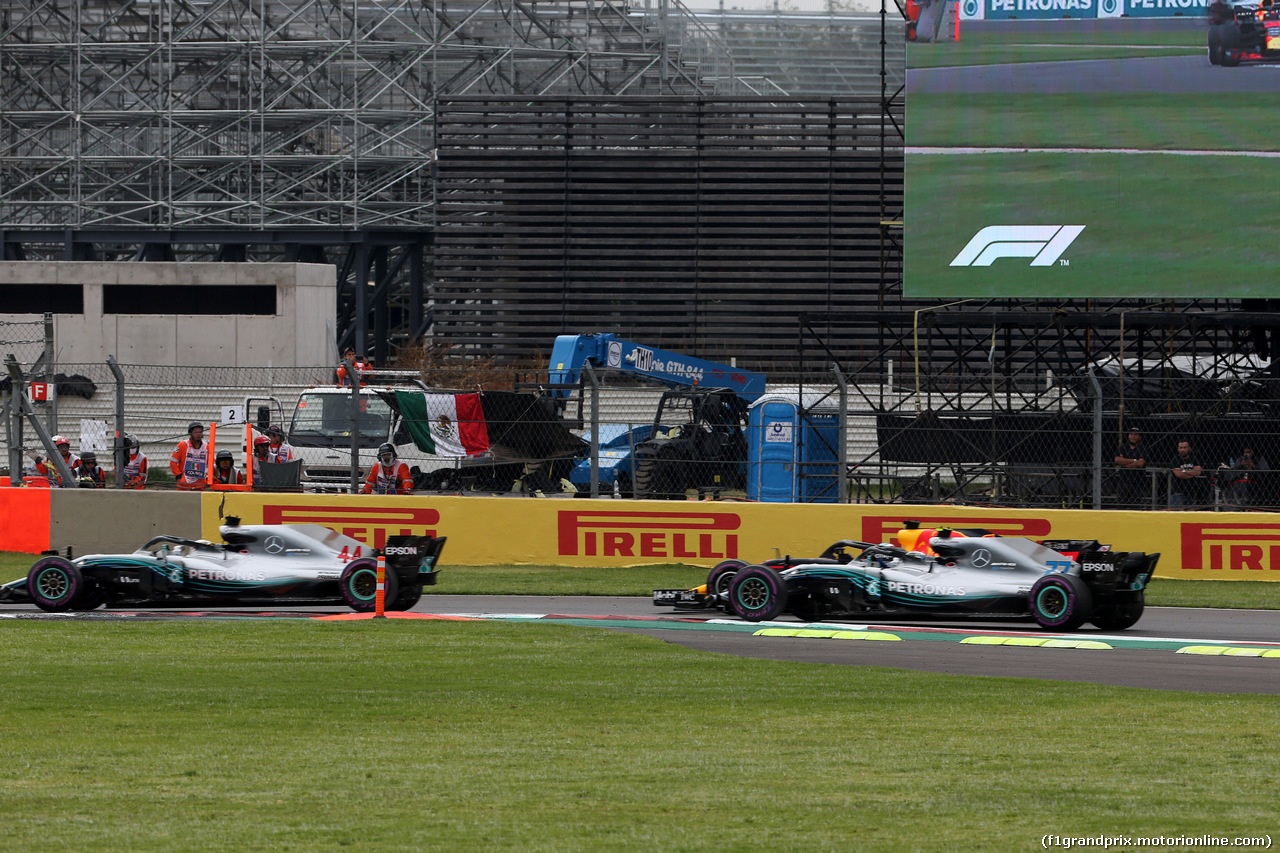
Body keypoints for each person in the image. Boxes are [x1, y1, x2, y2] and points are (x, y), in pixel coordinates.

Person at [1113, 426, 1147, 507]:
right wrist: (1134, 460)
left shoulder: (1143, 448)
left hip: (1137, 482)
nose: (1133, 436)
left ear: (1140, 437)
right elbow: (1117, 460)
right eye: (1131, 434)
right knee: (1121, 505)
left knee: (1136, 506)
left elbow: (1140, 463)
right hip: (1123, 481)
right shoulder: (1123, 447)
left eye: (1135, 434)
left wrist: (1125, 462)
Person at [170, 422, 209, 490]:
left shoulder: (207, 447)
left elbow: (211, 464)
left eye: (200, 432)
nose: (198, 434)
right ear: (190, 433)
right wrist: (179, 476)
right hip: (184, 484)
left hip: (201, 484)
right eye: (195, 432)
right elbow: (173, 462)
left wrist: (208, 477)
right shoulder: (182, 445)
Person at [1169, 439, 1206, 509]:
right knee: (1178, 514)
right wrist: (1191, 472)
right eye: (1180, 448)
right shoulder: (1175, 460)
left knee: (1190, 515)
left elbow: (1198, 472)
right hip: (1178, 491)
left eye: (1184, 447)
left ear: (1189, 448)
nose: (1182, 450)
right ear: (1178, 449)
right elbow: (1179, 474)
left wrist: (1183, 471)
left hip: (1192, 491)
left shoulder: (1194, 458)